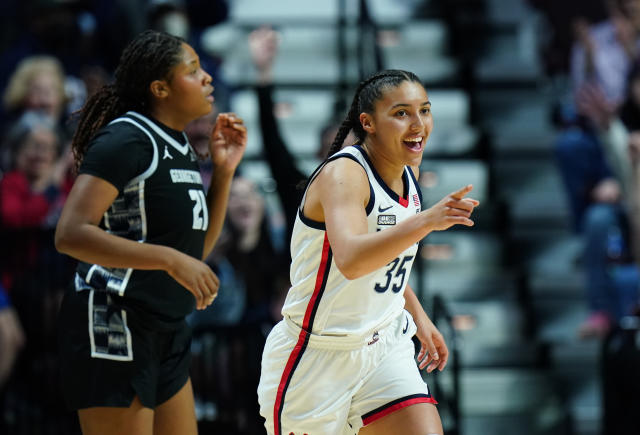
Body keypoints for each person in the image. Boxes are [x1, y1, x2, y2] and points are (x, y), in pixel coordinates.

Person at [257, 69, 479, 435]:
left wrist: (419, 317)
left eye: (424, 110)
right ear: (368, 123)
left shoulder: (409, 174)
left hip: (382, 346)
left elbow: (387, 259)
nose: (418, 123)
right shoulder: (343, 174)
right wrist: (426, 221)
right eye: (401, 113)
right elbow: (353, 260)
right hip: (317, 356)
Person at [53, 29, 247, 435]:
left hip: (166, 326)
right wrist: (168, 259)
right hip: (114, 316)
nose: (208, 77)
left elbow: (193, 252)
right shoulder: (127, 138)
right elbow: (70, 233)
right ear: (160, 88)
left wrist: (224, 174)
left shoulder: (177, 144)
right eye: (193, 70)